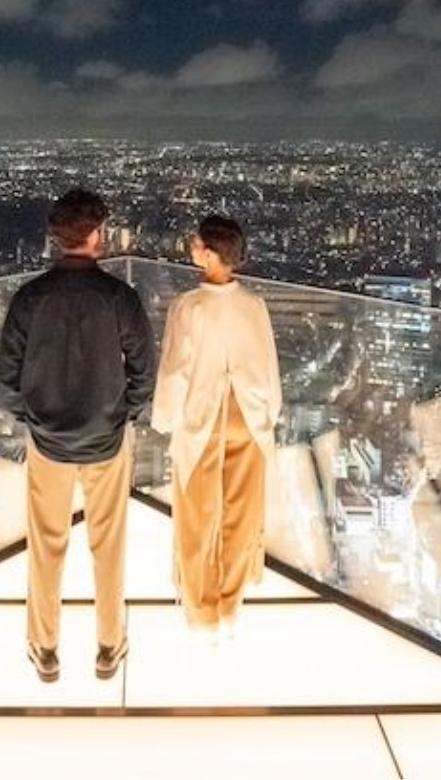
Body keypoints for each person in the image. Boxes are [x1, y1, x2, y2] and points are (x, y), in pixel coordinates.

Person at [0, 189, 156, 682]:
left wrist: (37, 419)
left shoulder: (29, 298)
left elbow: (7, 381)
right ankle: (110, 644)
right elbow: (144, 373)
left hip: (48, 443)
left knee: (47, 545)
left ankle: (45, 648)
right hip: (107, 440)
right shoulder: (119, 298)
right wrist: (119, 414)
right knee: (109, 545)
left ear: (56, 238)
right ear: (96, 236)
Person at [150, 214, 281, 640]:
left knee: (196, 514)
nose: (190, 247)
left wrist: (166, 420)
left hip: (203, 421)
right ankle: (230, 602)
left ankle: (202, 607)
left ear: (209, 252)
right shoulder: (254, 305)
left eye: (196, 243)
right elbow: (267, 366)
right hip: (248, 418)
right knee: (241, 515)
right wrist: (267, 416)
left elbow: (175, 372)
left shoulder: (189, 307)